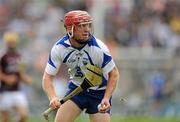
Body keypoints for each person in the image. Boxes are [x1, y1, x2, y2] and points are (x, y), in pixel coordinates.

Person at [42, 10, 119, 122]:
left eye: (88, 25)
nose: (87, 29)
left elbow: (114, 74)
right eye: (82, 26)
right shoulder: (59, 48)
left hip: (99, 93)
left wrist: (106, 98)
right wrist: (53, 97)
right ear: (69, 29)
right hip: (76, 90)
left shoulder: (99, 48)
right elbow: (47, 78)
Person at [0, 32, 33, 122]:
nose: (12, 44)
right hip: (5, 91)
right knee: (5, 119)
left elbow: (20, 73)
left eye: (13, 42)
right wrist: (7, 78)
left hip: (17, 91)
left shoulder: (19, 56)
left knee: (24, 115)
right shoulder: (3, 56)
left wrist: (26, 79)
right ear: (6, 43)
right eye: (10, 42)